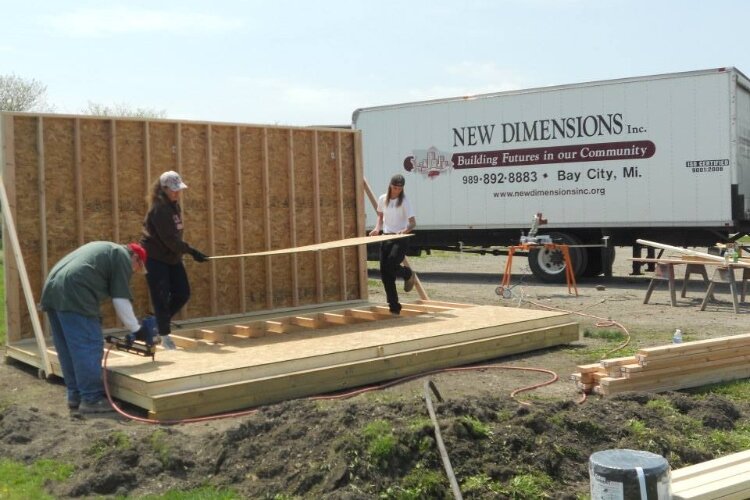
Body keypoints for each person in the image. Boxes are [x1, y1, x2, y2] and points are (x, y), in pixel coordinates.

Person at [40, 241, 150, 414]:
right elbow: (120, 299)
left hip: (53, 288)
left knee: (68, 348)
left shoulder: (106, 250)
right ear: (136, 257)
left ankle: (75, 395)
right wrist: (137, 329)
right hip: (75, 290)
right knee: (89, 346)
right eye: (137, 268)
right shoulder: (122, 257)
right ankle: (92, 399)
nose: (134, 272)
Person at [141, 171, 209, 348]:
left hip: (172, 256)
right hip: (155, 258)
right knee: (161, 297)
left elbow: (175, 238)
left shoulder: (174, 206)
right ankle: (164, 336)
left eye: (178, 189)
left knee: (182, 293)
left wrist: (185, 251)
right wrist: (192, 251)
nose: (177, 193)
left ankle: (157, 322)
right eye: (173, 190)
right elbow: (170, 240)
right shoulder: (159, 209)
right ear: (163, 189)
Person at [369, 174, 417, 315]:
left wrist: (405, 230)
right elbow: (380, 216)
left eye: (399, 188)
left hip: (401, 238)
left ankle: (407, 273)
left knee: (390, 264)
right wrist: (377, 228)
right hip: (386, 237)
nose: (397, 191)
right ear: (390, 185)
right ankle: (394, 307)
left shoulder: (405, 201)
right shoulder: (383, 198)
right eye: (395, 188)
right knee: (385, 274)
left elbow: (413, 222)